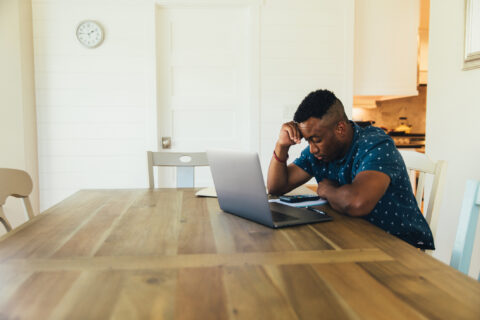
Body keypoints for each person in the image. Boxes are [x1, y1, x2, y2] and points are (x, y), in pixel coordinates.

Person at [267, 89, 434, 250]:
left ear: (340, 128)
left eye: (316, 140)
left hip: (399, 246)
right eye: (308, 141)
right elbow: (277, 187)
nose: (312, 149)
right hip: (356, 238)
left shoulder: (376, 145)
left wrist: (326, 190)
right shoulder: (320, 152)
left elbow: (356, 202)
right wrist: (281, 146)